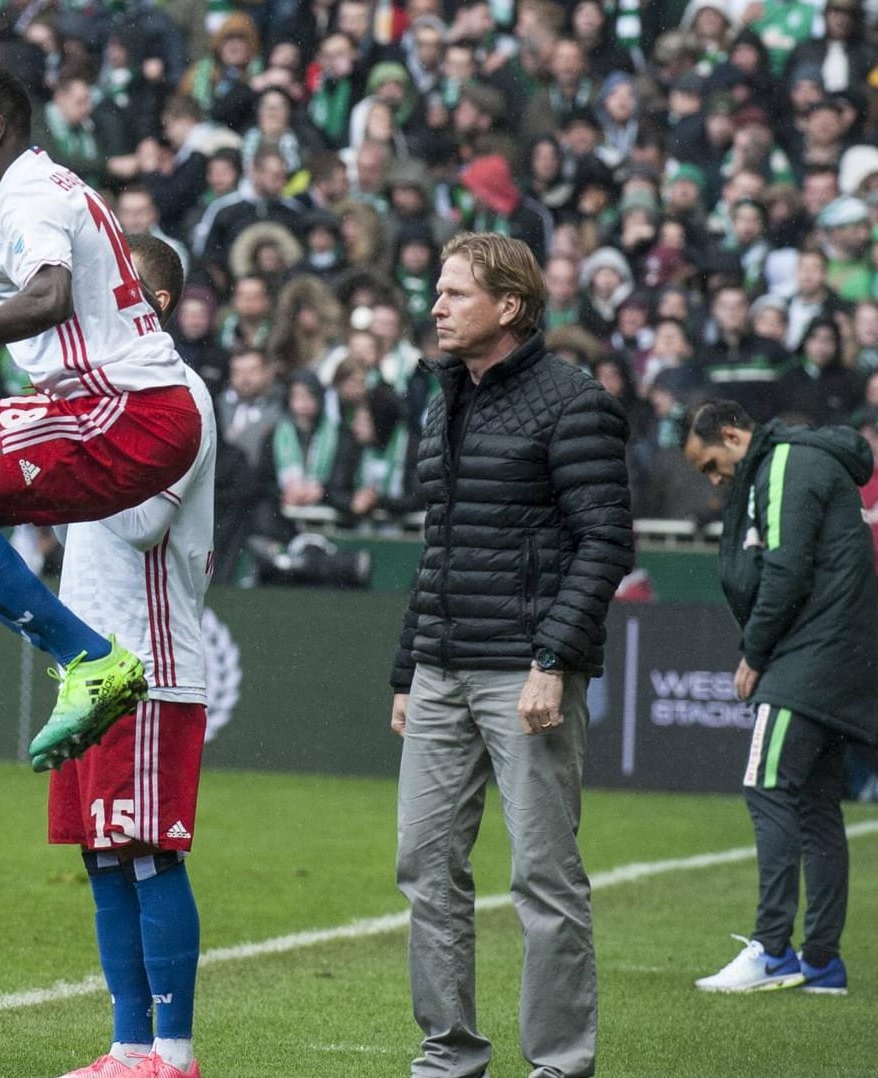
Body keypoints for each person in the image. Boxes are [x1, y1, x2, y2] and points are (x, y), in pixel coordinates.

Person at [0, 61, 205, 771]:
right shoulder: (51, 187)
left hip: (122, 411)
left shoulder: (27, 198)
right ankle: (72, 654)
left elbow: (48, 297)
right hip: (121, 408)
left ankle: (89, 659)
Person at [389, 233, 633, 1078]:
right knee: (424, 867)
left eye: (455, 294)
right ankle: (448, 1055)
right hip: (441, 668)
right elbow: (440, 543)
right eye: (438, 292)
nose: (438, 307)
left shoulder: (575, 402)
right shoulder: (443, 396)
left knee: (542, 877)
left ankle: (560, 1065)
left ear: (511, 307)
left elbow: (606, 542)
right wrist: (405, 668)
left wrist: (553, 661)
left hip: (524, 672)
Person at [49, 237, 215, 1078]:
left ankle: (173, 1052)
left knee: (148, 850)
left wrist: (77, 435)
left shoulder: (177, 394)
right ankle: (129, 1046)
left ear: (148, 296)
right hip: (90, 673)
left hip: (145, 664)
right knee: (102, 852)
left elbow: (143, 522)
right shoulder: (114, 399)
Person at [681, 400, 878, 996]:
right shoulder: (807, 461)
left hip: (810, 656)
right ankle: (822, 963)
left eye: (712, 465)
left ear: (735, 436)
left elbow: (785, 569)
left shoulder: (787, 462)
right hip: (842, 657)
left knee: (766, 788)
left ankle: (772, 950)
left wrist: (756, 653)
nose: (715, 482)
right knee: (817, 807)